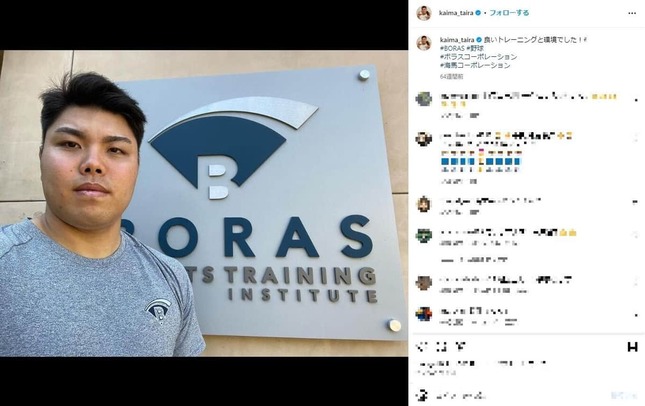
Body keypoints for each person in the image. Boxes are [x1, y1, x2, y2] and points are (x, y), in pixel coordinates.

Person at [0, 71, 206, 356]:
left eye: (115, 149)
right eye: (70, 144)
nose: (93, 163)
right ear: (41, 156)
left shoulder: (170, 276)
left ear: (137, 167)